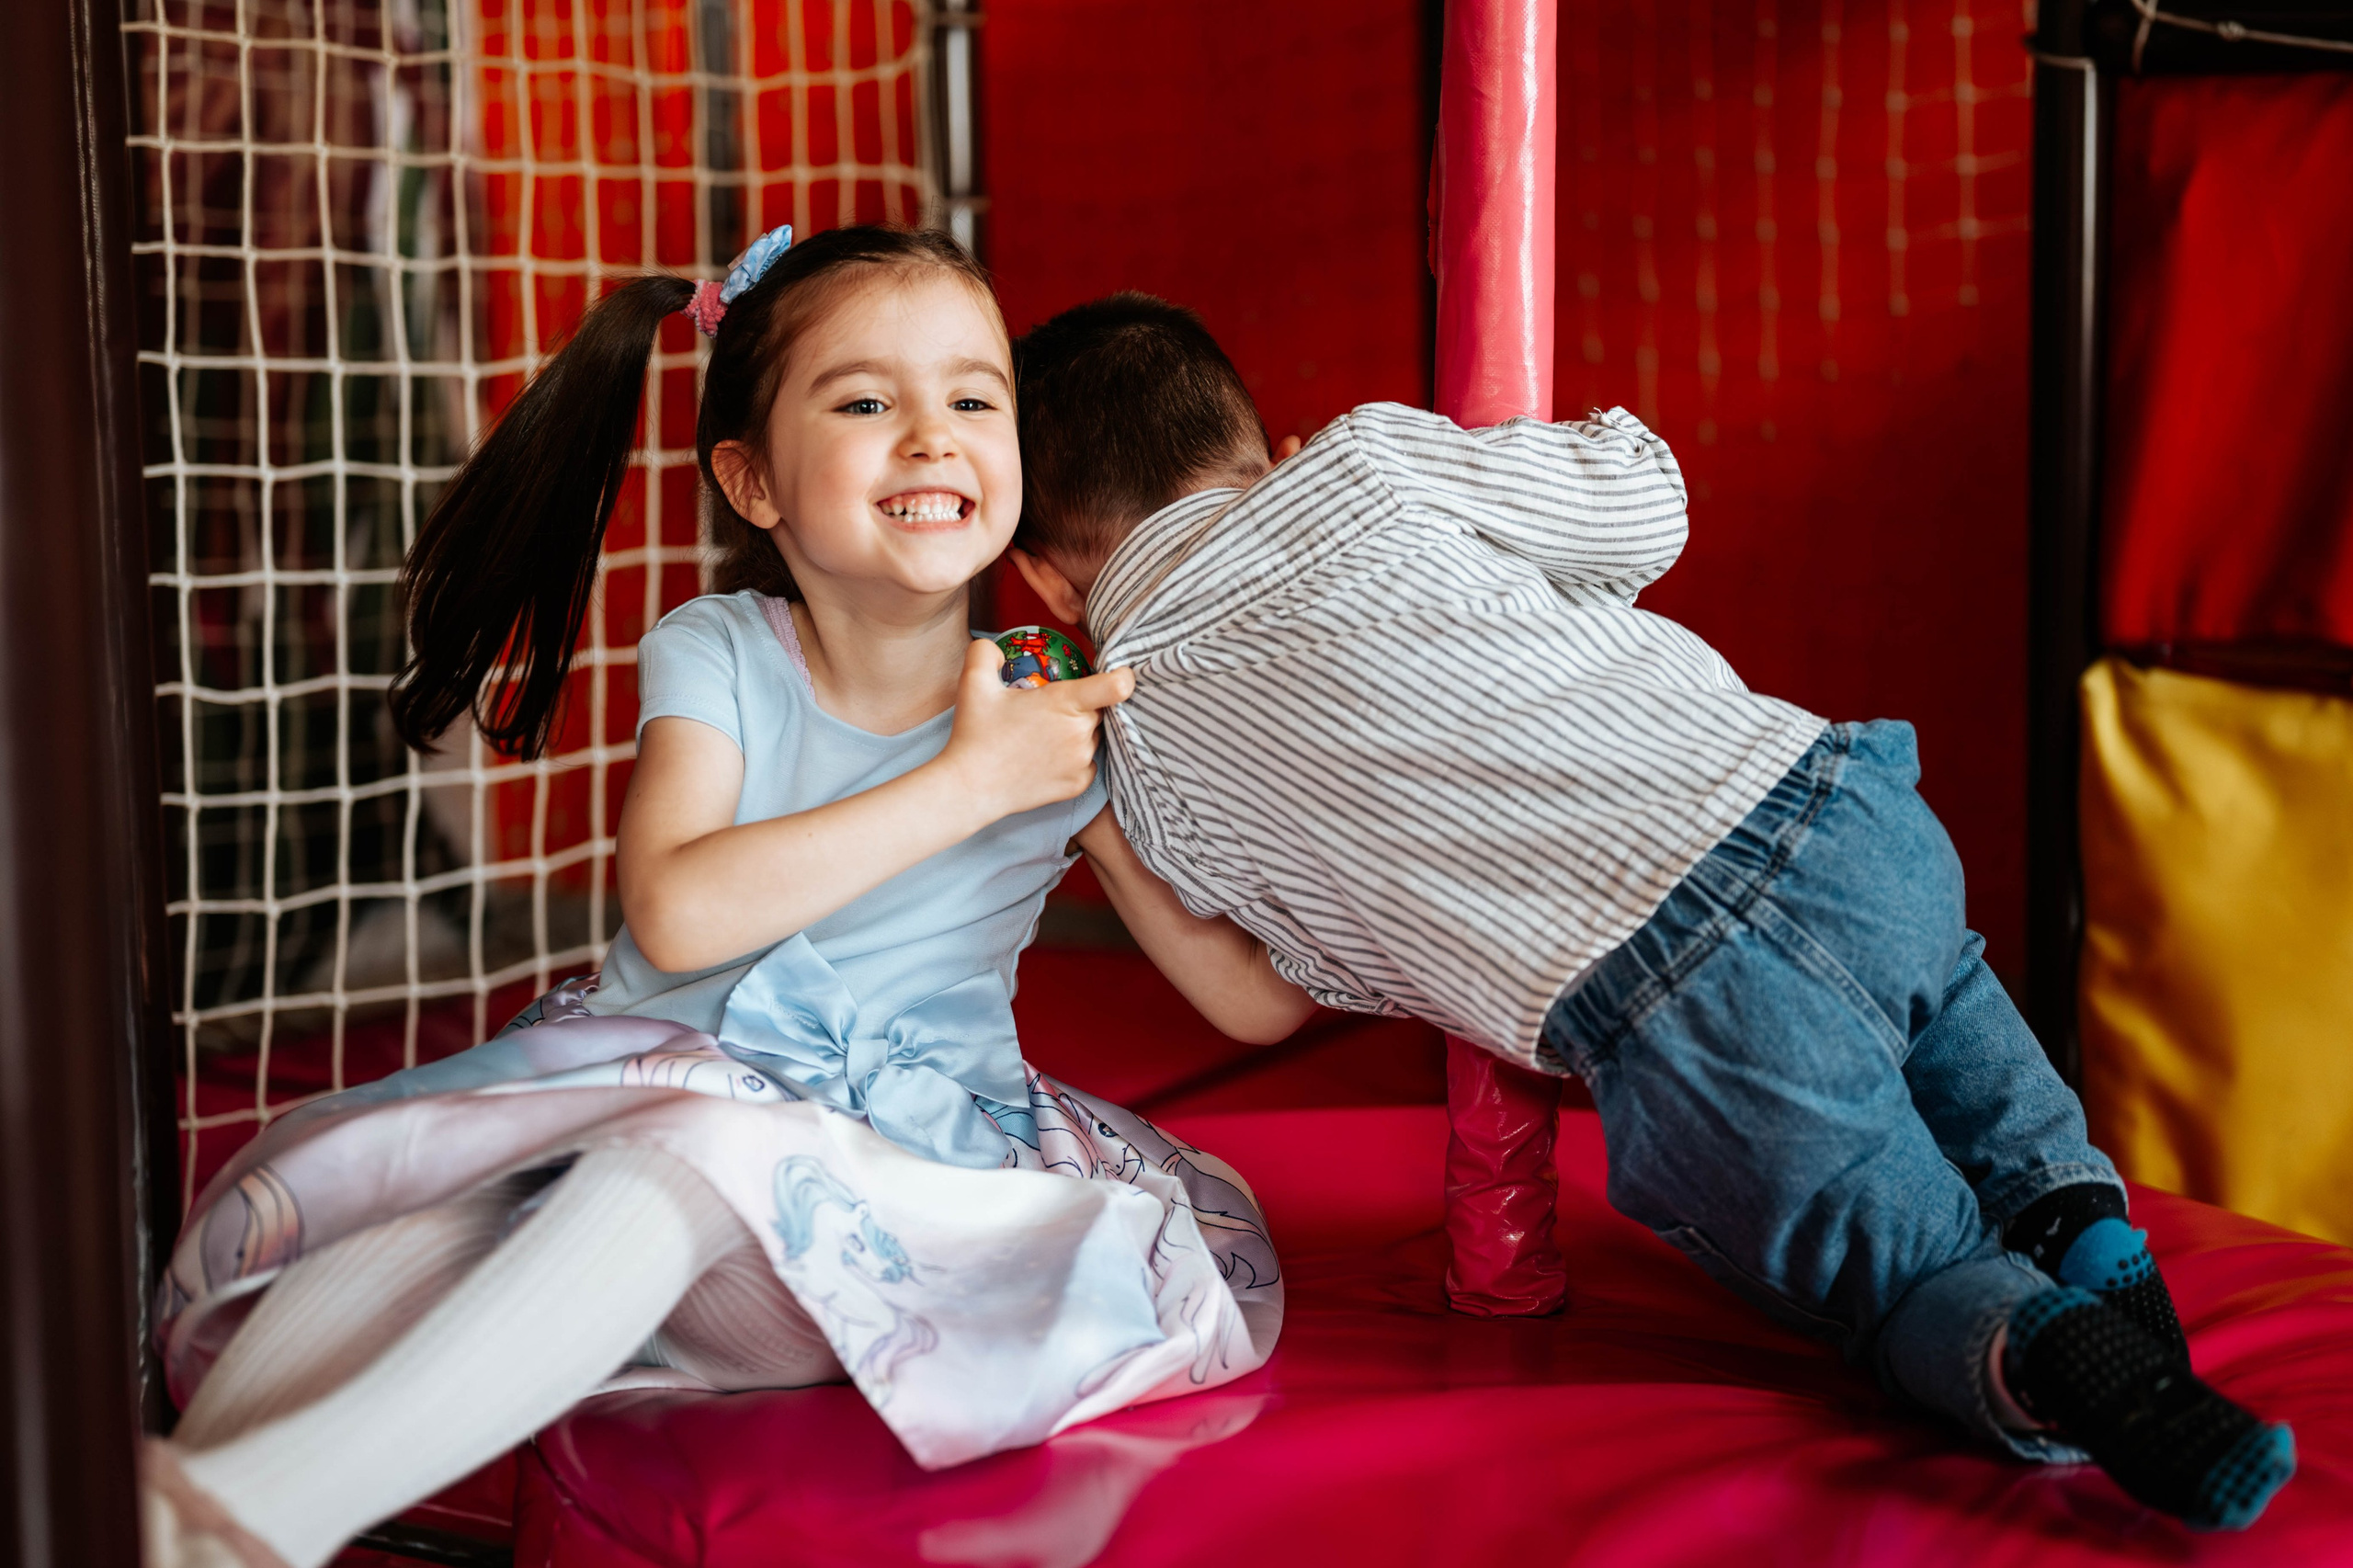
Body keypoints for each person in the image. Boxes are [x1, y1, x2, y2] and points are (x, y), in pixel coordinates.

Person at [1002, 292, 2298, 1532]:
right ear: (1260, 440)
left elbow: (1258, 1001)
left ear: (1051, 587)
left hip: (1682, 1010)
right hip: (1835, 813)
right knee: (1954, 1008)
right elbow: (1646, 504)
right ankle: (2085, 1227)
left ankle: (2035, 1349)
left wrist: (1098, 818)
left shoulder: (1148, 755)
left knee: (1895, 1259)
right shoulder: (1367, 461)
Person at [142, 232, 1313, 1568]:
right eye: (869, 402)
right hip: (633, 1120)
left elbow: (1250, 999)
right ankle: (189, 1502)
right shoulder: (724, 650)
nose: (932, 435)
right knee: (455, 1211)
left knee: (688, 1159)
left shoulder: (1045, 705)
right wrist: (964, 783)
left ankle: (246, 1526)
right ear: (754, 480)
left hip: (879, 1213)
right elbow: (680, 913)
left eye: (974, 398)